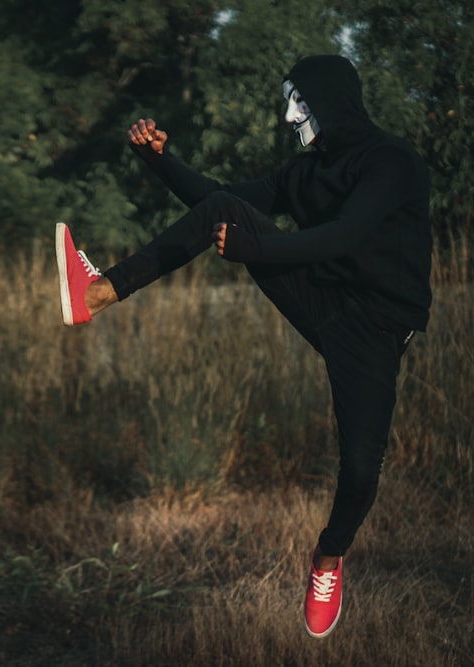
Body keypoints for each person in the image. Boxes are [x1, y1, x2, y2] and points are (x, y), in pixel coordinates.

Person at [56, 54, 431, 639]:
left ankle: (328, 560)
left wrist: (259, 251)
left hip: (377, 331)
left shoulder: (392, 162)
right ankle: (98, 293)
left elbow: (345, 236)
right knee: (227, 209)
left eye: (298, 102)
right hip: (324, 302)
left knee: (360, 470)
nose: (288, 116)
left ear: (330, 100)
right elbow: (218, 203)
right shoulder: (304, 171)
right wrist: (159, 161)